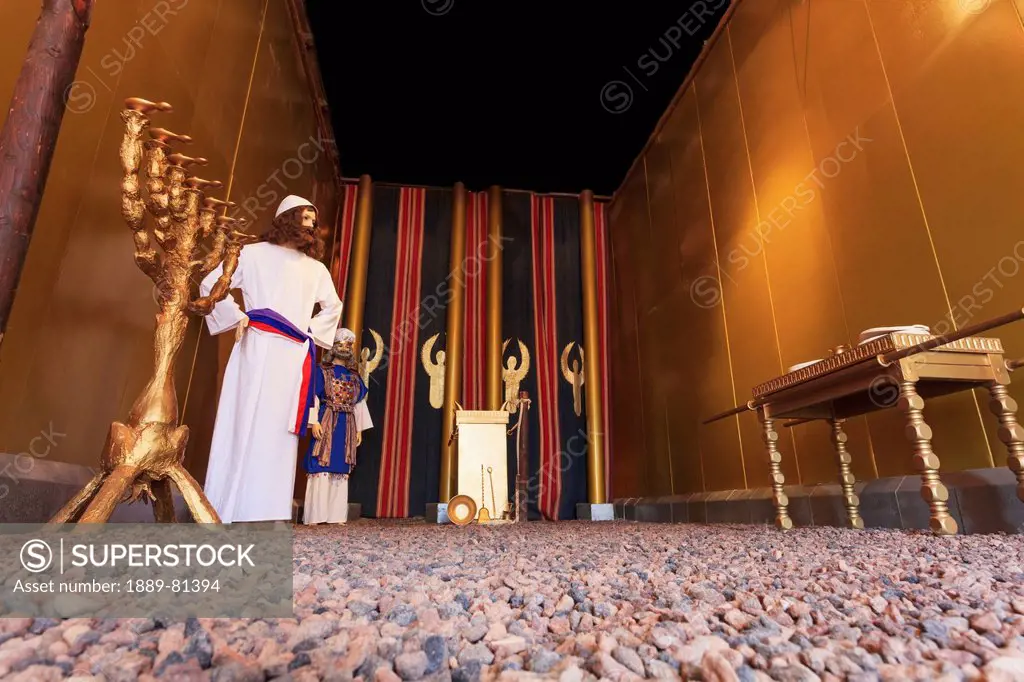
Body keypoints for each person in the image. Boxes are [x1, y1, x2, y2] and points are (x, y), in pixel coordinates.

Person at [199, 195, 343, 523]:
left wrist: (308, 330)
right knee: (243, 420)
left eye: (313, 218)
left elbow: (333, 306)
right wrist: (237, 317)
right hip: (256, 346)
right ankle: (225, 504)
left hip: (292, 355)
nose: (311, 223)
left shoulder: (316, 269)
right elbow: (211, 284)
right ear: (286, 219)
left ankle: (268, 510)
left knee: (280, 430)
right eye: (304, 217)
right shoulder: (251, 254)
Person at [303, 327, 373, 524]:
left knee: (341, 465)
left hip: (347, 424)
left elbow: (359, 402)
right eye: (340, 344)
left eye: (348, 345)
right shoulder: (321, 372)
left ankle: (335, 516)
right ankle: (315, 516)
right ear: (333, 347)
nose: (344, 348)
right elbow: (313, 397)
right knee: (321, 462)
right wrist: (314, 421)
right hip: (327, 419)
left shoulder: (354, 376)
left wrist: (359, 429)